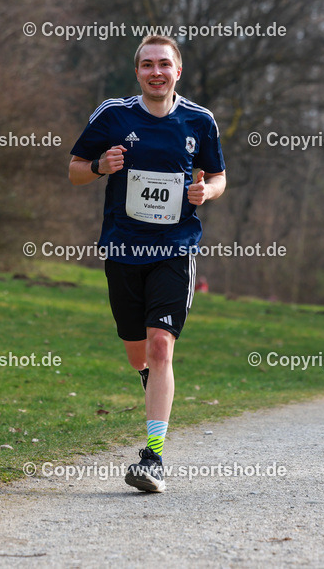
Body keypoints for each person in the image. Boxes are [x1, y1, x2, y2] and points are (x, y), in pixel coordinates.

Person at [68, 35, 226, 492]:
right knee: (136, 346)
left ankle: (153, 456)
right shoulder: (114, 115)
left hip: (176, 246)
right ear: (137, 72)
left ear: (178, 71)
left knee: (161, 345)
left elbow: (217, 176)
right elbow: (75, 169)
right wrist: (101, 165)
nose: (156, 72)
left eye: (164, 64)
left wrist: (206, 192)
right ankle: (150, 381)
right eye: (147, 65)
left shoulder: (200, 120)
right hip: (123, 246)